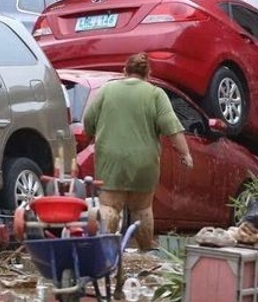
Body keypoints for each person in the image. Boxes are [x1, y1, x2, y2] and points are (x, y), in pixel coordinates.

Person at [82, 52, 193, 252]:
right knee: (142, 209)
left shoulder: (107, 90)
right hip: (144, 162)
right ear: (148, 73)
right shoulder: (155, 94)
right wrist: (185, 154)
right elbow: (172, 127)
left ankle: (107, 254)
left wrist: (90, 136)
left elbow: (88, 121)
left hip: (111, 160)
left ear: (124, 71)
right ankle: (145, 253)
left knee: (110, 207)